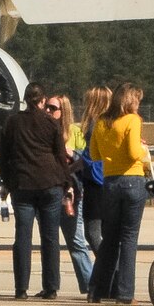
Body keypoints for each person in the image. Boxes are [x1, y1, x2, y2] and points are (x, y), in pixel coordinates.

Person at [0, 86, 71, 300]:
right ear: (43, 101)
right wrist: (66, 182)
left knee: (22, 236)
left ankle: (21, 288)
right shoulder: (50, 123)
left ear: (25, 100)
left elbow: (4, 157)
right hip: (50, 183)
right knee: (50, 237)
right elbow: (59, 155)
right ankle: (51, 287)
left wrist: (9, 181)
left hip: (22, 185)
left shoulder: (13, 122)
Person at [87, 83, 152, 305]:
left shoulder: (101, 121)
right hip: (132, 180)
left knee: (110, 239)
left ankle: (96, 289)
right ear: (131, 100)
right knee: (129, 238)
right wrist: (143, 152)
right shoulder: (133, 120)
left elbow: (95, 154)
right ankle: (124, 293)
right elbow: (134, 152)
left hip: (110, 181)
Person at [56, 93, 95, 294]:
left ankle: (92, 282)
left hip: (72, 192)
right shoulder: (46, 130)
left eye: (54, 109)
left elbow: (88, 159)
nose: (49, 112)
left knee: (76, 240)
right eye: (47, 108)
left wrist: (72, 155)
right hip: (53, 189)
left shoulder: (76, 132)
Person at [76, 86, 110, 259]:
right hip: (107, 178)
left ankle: (108, 266)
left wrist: (72, 167)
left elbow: (90, 154)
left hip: (96, 180)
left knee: (92, 231)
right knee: (105, 231)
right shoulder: (109, 123)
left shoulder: (95, 124)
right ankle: (110, 267)